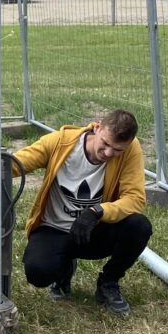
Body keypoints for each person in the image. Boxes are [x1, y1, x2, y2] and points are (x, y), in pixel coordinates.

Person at [12, 109, 152, 316]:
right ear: (97, 127)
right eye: (105, 143)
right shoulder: (60, 142)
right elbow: (16, 163)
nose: (109, 153)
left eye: (117, 150)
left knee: (139, 226)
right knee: (38, 273)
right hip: (54, 228)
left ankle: (108, 282)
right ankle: (63, 269)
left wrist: (98, 211)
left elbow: (135, 198)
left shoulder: (131, 149)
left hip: (93, 230)